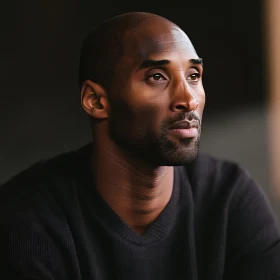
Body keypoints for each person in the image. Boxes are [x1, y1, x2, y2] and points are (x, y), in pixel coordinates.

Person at [0, 11, 280, 280]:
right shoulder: (28, 220)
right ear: (96, 101)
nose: (189, 99)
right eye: (157, 77)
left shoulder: (229, 198)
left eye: (193, 75)